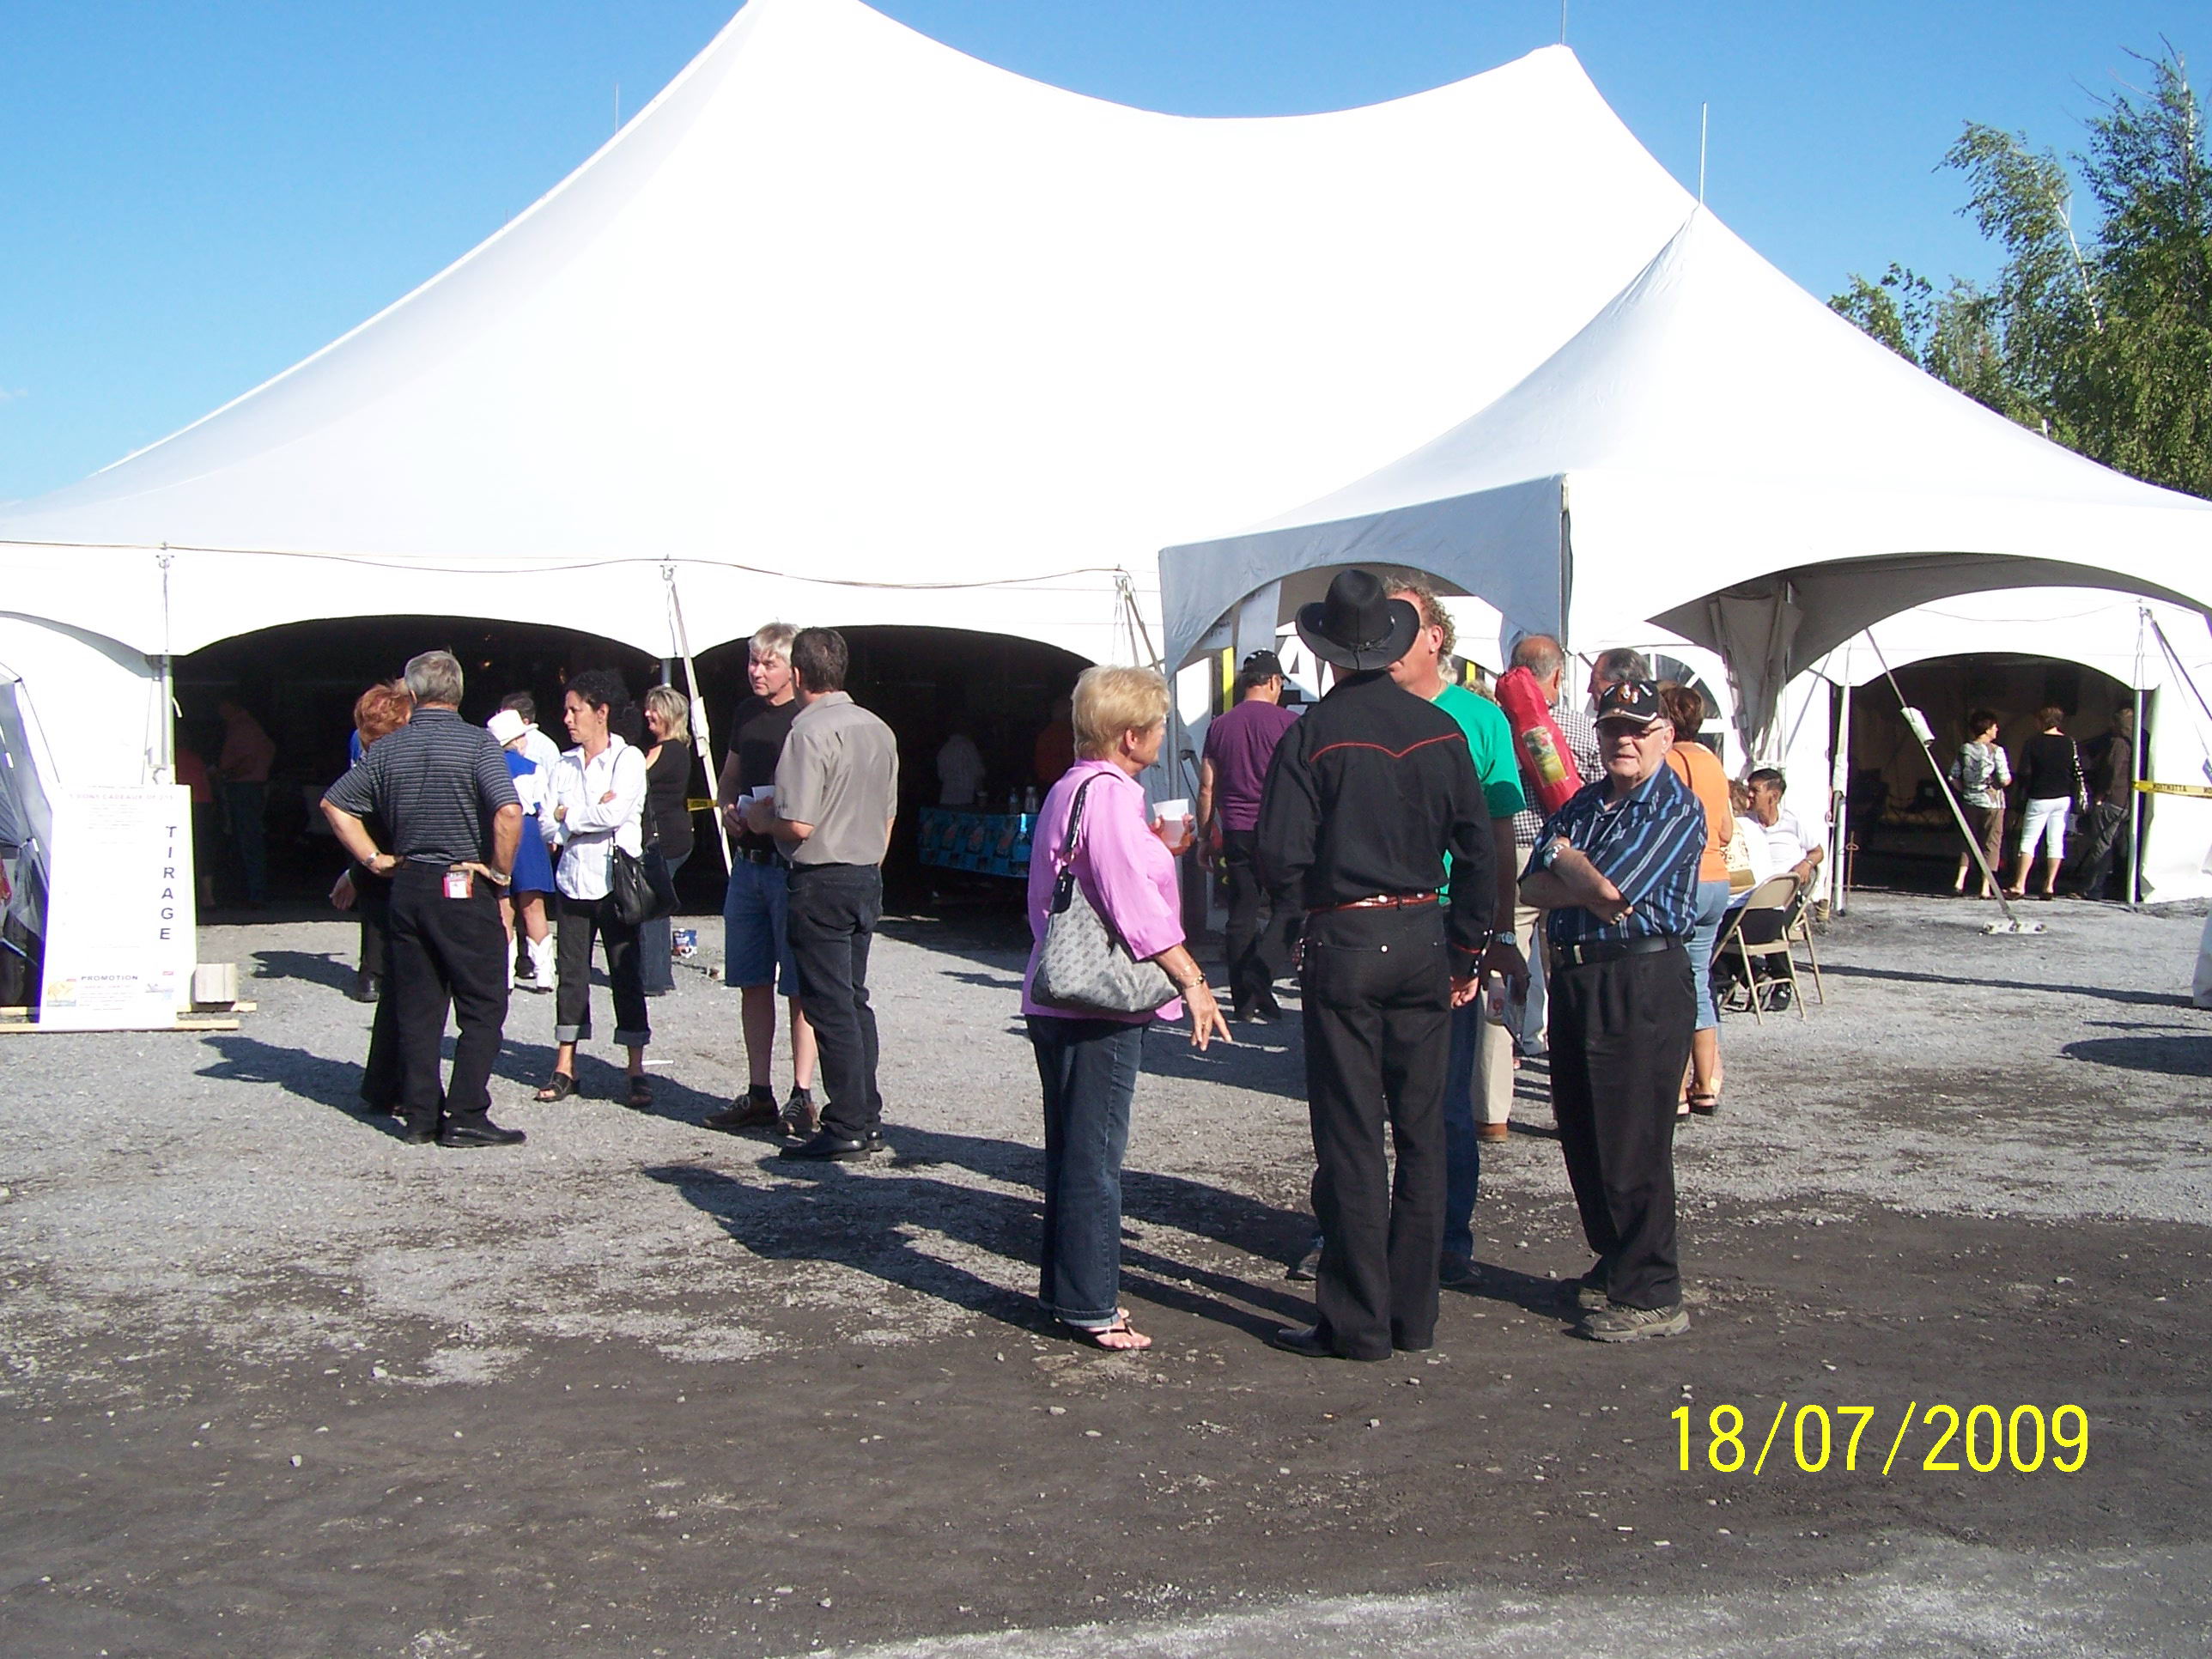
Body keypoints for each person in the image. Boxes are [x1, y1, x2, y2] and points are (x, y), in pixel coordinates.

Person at [1256, 569, 1491, 1362]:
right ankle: (1413, 1317)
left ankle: (1358, 1322)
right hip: (1423, 933)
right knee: (1422, 1133)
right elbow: (1480, 849)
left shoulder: (1313, 735)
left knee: (1353, 1136)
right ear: (1391, 645)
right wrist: (1468, 945)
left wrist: (1292, 925)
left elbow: (1280, 855)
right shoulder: (1440, 730)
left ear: (1327, 654)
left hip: (1348, 938)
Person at [1024, 665, 1229, 1350]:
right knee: (1094, 1157)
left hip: (1058, 991)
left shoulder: (1071, 787)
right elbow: (1128, 900)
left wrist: (1157, 851)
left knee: (1071, 1152)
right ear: (1130, 735)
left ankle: (1065, 1290)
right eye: (1159, 724)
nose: (1164, 735)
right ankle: (1091, 1304)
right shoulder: (1111, 795)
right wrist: (1191, 978)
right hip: (1100, 1002)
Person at [1521, 679, 1705, 1340]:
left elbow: (1613, 891)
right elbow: (1535, 885)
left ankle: (1653, 1290)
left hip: (1640, 977)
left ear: (1666, 736)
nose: (1623, 740)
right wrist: (1573, 869)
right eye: (1611, 729)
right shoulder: (1586, 802)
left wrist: (1568, 862)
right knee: (1584, 1129)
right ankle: (1617, 1261)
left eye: (1637, 729)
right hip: (1578, 975)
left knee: (1633, 1138)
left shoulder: (1673, 807)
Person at [1380, 574, 1525, 1289]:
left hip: (1445, 920)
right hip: (1366, 918)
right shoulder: (1356, 711)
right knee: (1357, 1096)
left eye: (1399, 625)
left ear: (1435, 637)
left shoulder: (1480, 719)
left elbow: (1499, 838)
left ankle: (1445, 1239)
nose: (1383, 639)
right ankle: (1345, 1231)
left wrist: (1499, 932)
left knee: (1442, 1098)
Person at [321, 651, 524, 1148]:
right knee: (483, 1002)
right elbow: (509, 812)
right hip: (462, 880)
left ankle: (420, 1115)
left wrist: (373, 859)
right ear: (458, 692)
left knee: (418, 1006)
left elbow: (335, 804)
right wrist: (500, 873)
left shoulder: (387, 749)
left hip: (409, 883)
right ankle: (467, 1112)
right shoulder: (478, 744)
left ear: (411, 695)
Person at [745, 628, 900, 1160]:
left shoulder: (807, 732)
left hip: (821, 876)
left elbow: (799, 823)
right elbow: (888, 813)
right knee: (854, 999)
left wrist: (759, 820)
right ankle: (868, 1116)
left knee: (829, 1004)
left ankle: (846, 1122)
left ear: (798, 674)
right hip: (865, 871)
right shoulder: (878, 728)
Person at [703, 623, 820, 1137]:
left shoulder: (806, 718)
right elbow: (730, 773)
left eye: (768, 663)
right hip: (748, 863)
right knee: (751, 980)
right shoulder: (745, 713)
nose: (757, 671)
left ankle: (802, 1094)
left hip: (790, 865)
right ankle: (758, 1091)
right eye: (753, 661)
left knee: (797, 986)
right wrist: (728, 807)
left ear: (792, 669)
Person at [537, 670, 654, 1109]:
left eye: (575, 710)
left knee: (626, 972)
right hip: (572, 881)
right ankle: (565, 1064)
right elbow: (544, 822)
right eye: (566, 711)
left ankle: (636, 1067)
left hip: (614, 882)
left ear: (601, 712)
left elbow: (615, 814)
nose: (567, 719)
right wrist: (574, 815)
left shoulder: (628, 759)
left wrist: (568, 815)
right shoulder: (563, 764)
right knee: (571, 974)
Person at [1197, 650, 1300, 1022]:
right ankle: (1261, 975)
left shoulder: (1220, 726)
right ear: (1273, 681)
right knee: (1291, 905)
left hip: (1236, 830)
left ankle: (1245, 1000)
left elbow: (1207, 787)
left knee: (1241, 912)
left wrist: (1205, 836)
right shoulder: (1290, 724)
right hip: (1278, 829)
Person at [328, 680, 413, 1112]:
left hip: (379, 877)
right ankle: (399, 1086)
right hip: (395, 877)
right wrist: (372, 860)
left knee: (398, 986)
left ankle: (383, 1084)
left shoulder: (370, 760)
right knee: (410, 987)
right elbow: (338, 807)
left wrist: (359, 865)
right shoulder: (384, 765)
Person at [1659, 684, 1734, 1117]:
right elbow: (1726, 830)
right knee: (1699, 978)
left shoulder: (1666, 761)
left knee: (1672, 983)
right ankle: (1706, 1084)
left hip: (1682, 879)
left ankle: (1676, 1089)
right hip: (1717, 878)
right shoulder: (1712, 761)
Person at [487, 708, 557, 990]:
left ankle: (504, 974)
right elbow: (545, 807)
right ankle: (544, 973)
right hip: (528, 831)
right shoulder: (533, 768)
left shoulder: (488, 769)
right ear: (516, 739)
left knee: (503, 906)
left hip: (498, 831)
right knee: (533, 905)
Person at [638, 685, 698, 998]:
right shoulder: (675, 750)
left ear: (670, 715)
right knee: (657, 905)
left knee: (650, 905)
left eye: (655, 709)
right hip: (672, 835)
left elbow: (635, 779)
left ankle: (652, 976)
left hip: (664, 837)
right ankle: (658, 974)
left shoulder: (668, 751)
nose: (648, 714)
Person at [2005, 707, 2081, 901]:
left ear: (2041, 721)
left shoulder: (2033, 742)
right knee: (2055, 841)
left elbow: (2025, 772)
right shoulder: (2069, 742)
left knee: (2029, 840)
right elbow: (2075, 771)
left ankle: (2020, 884)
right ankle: (2049, 885)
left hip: (2039, 795)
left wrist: (2021, 795)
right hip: (2063, 797)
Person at [2070, 705, 2137, 900]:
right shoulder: (2137, 743)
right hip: (2127, 801)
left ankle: (2092, 888)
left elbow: (2111, 771)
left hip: (2112, 799)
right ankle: (2122, 886)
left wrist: (2101, 794)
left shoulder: (2118, 744)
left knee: (2102, 843)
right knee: (2122, 846)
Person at [214, 697, 276, 906]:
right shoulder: (251, 727)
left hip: (244, 787)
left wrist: (227, 774)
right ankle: (249, 891)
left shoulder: (243, 727)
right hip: (250, 787)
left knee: (248, 840)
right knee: (246, 838)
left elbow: (249, 760)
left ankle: (254, 893)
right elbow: (269, 749)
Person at [1946, 708, 2011, 898]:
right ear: (1988, 729)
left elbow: (1953, 776)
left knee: (1968, 840)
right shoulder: (1996, 751)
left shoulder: (1965, 749)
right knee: (1991, 843)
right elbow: (2004, 779)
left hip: (1970, 801)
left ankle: (1960, 881)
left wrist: (1965, 790)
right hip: (1992, 802)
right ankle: (1985, 887)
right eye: (1995, 727)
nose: (1997, 730)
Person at [1744, 769, 1823, 888]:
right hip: (1751, 892)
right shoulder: (1745, 822)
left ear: (1774, 796)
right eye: (1749, 790)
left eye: (1755, 791)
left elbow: (1817, 851)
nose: (1750, 795)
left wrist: (1807, 864)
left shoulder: (1792, 821)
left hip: (1785, 892)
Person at [499, 692, 563, 775]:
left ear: (525, 722)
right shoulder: (492, 738)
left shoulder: (546, 746)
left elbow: (555, 778)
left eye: (507, 718)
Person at [1033, 697, 1076, 788]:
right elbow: (1070, 761)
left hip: (1047, 782)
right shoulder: (1061, 732)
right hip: (1060, 782)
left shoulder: (1047, 733)